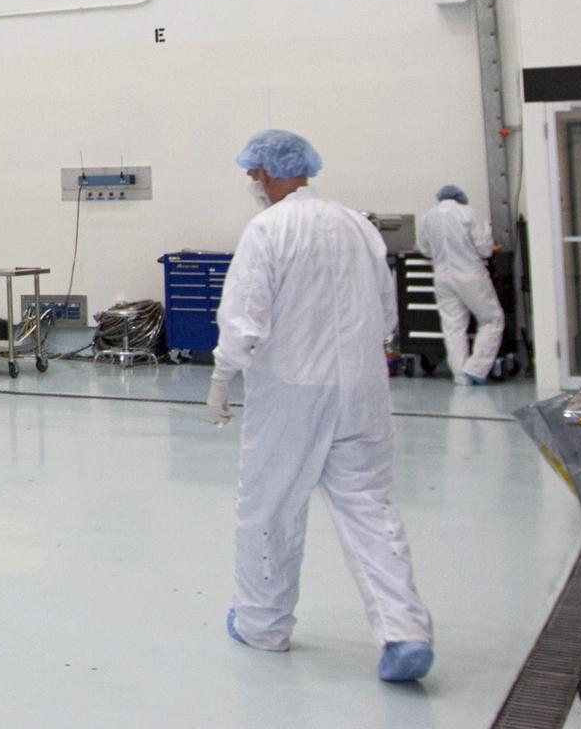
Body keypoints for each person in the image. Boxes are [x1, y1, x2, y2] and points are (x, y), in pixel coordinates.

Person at [210, 129, 434, 682]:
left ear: (265, 173)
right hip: (362, 389)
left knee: (270, 507)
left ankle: (262, 624)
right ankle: (404, 632)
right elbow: (386, 312)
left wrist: (221, 375)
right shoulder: (357, 225)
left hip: (291, 393)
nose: (252, 184)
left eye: (252, 175)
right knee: (370, 507)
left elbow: (244, 318)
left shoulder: (268, 229)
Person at [417, 185, 503, 386]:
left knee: (453, 326)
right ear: (460, 197)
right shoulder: (469, 213)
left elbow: (424, 249)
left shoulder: (428, 217)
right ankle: (476, 368)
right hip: (470, 275)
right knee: (492, 319)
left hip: (442, 277)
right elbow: (484, 249)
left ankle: (460, 375)